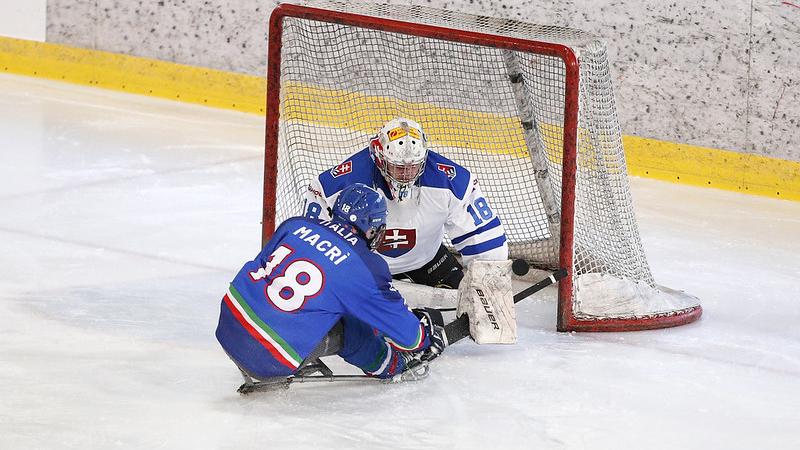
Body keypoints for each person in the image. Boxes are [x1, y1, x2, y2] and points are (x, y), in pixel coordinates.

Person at [216, 183, 447, 382]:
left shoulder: (295, 224)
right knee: (353, 327)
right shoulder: (366, 266)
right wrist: (425, 333)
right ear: (371, 228)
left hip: (228, 321)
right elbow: (411, 338)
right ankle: (394, 366)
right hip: (269, 358)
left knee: (328, 299)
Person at [303, 117, 508, 289]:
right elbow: (311, 244)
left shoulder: (452, 181)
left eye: (413, 166)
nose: (407, 174)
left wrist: (490, 284)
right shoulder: (339, 183)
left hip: (427, 261)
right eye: (398, 167)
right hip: (363, 269)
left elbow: (484, 243)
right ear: (380, 159)